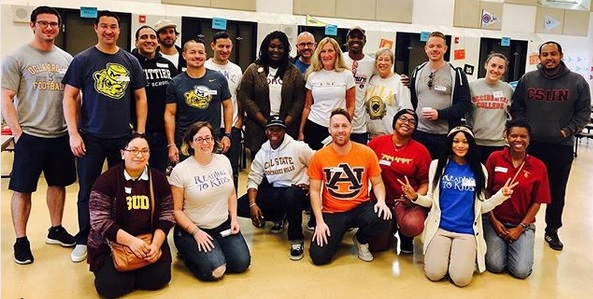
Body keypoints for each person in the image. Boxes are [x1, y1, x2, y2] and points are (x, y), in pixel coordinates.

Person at [63, 10, 148, 263]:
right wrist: (73, 134)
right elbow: (69, 96)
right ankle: (85, 237)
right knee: (88, 191)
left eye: (113, 26)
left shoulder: (130, 61)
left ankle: (117, 236)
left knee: (122, 190)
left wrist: (139, 134)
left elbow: (140, 97)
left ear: (119, 30)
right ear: (96, 29)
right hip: (91, 137)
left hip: (122, 139)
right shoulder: (83, 59)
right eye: (104, 26)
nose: (109, 31)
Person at [1, 6, 76, 265]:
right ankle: (21, 240)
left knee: (58, 184)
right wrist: (18, 133)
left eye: (53, 24)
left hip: (60, 135)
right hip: (30, 135)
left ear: (59, 27)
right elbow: (7, 98)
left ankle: (55, 229)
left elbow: (73, 97)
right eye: (43, 23)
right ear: (32, 25)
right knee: (22, 190)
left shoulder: (67, 59)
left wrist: (73, 130)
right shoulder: (16, 58)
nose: (49, 28)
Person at [400, 125, 516, 287]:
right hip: (440, 228)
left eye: (465, 142)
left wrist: (501, 196)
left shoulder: (480, 170)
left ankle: (460, 256)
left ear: (471, 145)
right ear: (449, 143)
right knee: (434, 274)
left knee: (461, 280)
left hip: (466, 232)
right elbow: (431, 201)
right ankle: (448, 255)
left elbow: (481, 208)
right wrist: (415, 197)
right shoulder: (437, 165)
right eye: (455, 141)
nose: (460, 145)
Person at [511, 41, 591, 251]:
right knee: (524, 188)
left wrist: (566, 131)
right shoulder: (528, 79)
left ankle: (552, 230)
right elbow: (517, 106)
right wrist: (525, 131)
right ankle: (520, 225)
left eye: (553, 54)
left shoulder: (577, 82)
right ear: (539, 57)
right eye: (545, 54)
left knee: (556, 191)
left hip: (561, 146)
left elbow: (583, 112)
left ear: (561, 55)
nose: (549, 58)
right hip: (532, 146)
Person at [88, 133, 174, 298]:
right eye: (133, 150)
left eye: (144, 151)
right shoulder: (106, 180)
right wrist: (131, 242)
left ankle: (132, 271)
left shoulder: (158, 179)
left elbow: (167, 214)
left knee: (159, 279)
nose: (139, 155)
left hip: (148, 241)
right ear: (122, 153)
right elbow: (99, 220)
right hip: (113, 244)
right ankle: (128, 273)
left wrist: (156, 245)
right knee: (111, 287)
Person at [307, 108, 392, 265]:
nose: (340, 130)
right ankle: (336, 235)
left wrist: (381, 201)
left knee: (383, 217)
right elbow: (314, 191)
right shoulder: (319, 156)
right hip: (333, 211)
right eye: (336, 126)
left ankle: (361, 240)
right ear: (329, 129)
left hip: (360, 206)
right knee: (319, 257)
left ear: (351, 128)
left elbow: (378, 183)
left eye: (344, 126)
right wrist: (319, 221)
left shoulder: (366, 153)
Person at [169, 122, 250, 281]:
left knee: (241, 264)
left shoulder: (223, 161)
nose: (205, 143)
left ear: (214, 141)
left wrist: (233, 219)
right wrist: (196, 232)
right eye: (199, 139)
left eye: (208, 138)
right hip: (193, 229)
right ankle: (187, 252)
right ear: (190, 143)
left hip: (223, 225)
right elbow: (176, 210)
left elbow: (232, 194)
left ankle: (215, 250)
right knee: (217, 271)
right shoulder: (181, 170)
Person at [236, 115, 315, 260]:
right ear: (266, 131)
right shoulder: (262, 153)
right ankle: (278, 215)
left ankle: (296, 240)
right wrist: (253, 204)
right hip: (277, 191)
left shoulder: (298, 147)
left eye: (278, 130)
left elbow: (317, 163)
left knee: (290, 196)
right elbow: (253, 179)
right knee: (239, 206)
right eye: (271, 129)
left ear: (284, 131)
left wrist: (311, 183)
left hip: (299, 191)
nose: (274, 133)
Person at [483, 120, 551, 279]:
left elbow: (537, 202)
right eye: (513, 135)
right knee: (495, 266)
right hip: (495, 221)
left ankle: (517, 246)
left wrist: (520, 228)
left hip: (522, 224)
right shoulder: (494, 158)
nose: (518, 140)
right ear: (506, 137)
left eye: (523, 136)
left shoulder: (538, 166)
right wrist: (493, 221)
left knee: (521, 272)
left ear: (529, 139)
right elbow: (485, 191)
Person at [367, 109, 431, 254]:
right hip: (381, 201)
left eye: (412, 121)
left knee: (412, 225)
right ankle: (390, 233)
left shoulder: (420, 151)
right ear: (395, 121)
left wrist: (415, 197)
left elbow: (426, 182)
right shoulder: (376, 143)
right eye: (403, 118)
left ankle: (405, 236)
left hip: (407, 203)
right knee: (376, 247)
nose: (406, 123)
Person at [165, 38, 233, 164]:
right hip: (185, 143)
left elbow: (228, 106)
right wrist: (171, 144)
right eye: (192, 52)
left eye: (201, 53)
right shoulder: (175, 83)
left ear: (205, 55)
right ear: (184, 55)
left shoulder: (218, 79)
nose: (197, 56)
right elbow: (170, 114)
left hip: (211, 141)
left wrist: (227, 135)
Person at [238, 30, 305, 157]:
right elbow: (245, 97)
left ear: (286, 50)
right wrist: (265, 122)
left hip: (287, 130)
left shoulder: (293, 72)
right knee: (260, 172)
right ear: (265, 47)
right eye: (272, 46)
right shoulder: (253, 69)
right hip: (258, 129)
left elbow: (299, 100)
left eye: (280, 47)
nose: (276, 50)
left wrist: (283, 124)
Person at [409, 31, 471, 158]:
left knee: (439, 171)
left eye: (438, 46)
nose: (435, 49)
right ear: (425, 49)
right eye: (431, 46)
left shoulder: (456, 74)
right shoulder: (417, 71)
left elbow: (464, 105)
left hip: (444, 135)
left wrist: (440, 114)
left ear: (445, 49)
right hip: (419, 133)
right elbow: (412, 100)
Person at [131, 25, 179, 172]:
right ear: (136, 42)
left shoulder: (168, 65)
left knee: (158, 174)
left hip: (163, 133)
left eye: (152, 37)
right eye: (144, 37)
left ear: (157, 42)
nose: (149, 40)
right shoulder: (131, 63)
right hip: (137, 131)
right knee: (136, 173)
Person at [299, 37, 355, 150]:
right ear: (318, 54)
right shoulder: (312, 75)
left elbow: (351, 106)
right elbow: (307, 106)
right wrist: (301, 131)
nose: (326, 55)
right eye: (323, 51)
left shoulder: (347, 75)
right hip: (314, 125)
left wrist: (345, 126)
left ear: (337, 53)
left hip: (336, 127)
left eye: (330, 51)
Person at [204, 31, 243, 188]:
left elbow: (239, 98)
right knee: (208, 168)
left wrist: (239, 122)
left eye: (228, 47)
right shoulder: (204, 66)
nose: (224, 50)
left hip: (231, 127)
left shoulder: (237, 70)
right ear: (213, 46)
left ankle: (230, 208)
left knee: (230, 170)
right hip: (208, 127)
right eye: (221, 46)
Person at [466, 53, 514, 163]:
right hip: (474, 142)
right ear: (486, 65)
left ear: (504, 70)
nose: (496, 70)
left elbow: (513, 115)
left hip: (498, 144)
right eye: (493, 65)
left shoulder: (508, 89)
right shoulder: (471, 86)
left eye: (500, 67)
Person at [364, 48, 412, 138]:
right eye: (380, 59)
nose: (383, 63)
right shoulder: (371, 79)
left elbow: (405, 111)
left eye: (387, 60)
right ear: (376, 62)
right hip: (369, 136)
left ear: (392, 63)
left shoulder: (400, 82)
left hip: (390, 136)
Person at [342, 26, 375, 144]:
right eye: (352, 37)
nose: (356, 40)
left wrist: (403, 79)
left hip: (360, 125)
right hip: (340, 122)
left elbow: (385, 76)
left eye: (360, 37)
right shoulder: (339, 58)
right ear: (347, 39)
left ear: (364, 41)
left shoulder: (372, 63)